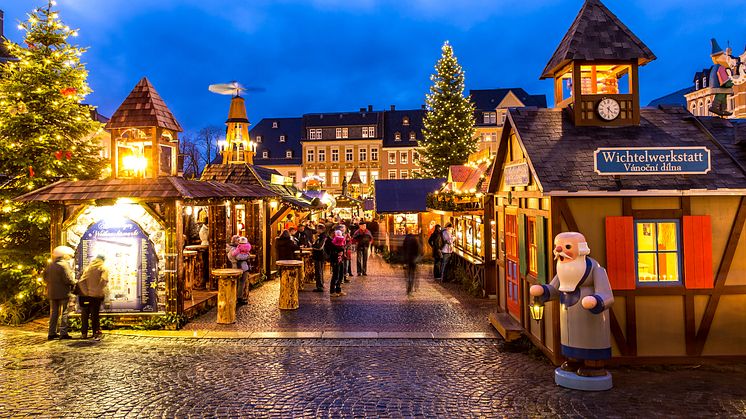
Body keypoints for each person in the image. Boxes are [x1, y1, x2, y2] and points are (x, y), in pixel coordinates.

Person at [44, 246, 75, 340]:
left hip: (52, 292)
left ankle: (51, 332)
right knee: (64, 312)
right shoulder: (64, 265)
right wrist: (74, 282)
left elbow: (45, 277)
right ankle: (63, 332)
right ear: (64, 256)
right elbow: (68, 279)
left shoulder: (50, 265)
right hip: (63, 292)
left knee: (54, 313)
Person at [77, 254, 109, 340]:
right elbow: (104, 280)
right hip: (96, 296)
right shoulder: (103, 268)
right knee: (95, 315)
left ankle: (84, 333)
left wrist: (86, 292)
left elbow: (81, 281)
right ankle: (95, 333)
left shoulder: (88, 268)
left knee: (85, 315)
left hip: (86, 296)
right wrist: (98, 290)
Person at [402, 228, 422, 295]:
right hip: (413, 259)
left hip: (408, 259)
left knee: (408, 275)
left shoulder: (405, 240)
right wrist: (418, 258)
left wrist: (404, 261)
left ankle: (409, 288)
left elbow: (403, 251)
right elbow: (418, 250)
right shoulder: (415, 240)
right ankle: (412, 288)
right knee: (412, 274)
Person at [232, 236, 252, 305]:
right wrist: (247, 256)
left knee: (242, 283)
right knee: (241, 283)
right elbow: (238, 257)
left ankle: (240, 297)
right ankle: (239, 298)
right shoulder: (235, 248)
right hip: (240, 268)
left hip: (242, 267)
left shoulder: (238, 248)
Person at [327, 230, 347, 297]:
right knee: (335, 275)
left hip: (341, 260)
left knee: (340, 275)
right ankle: (332, 291)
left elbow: (343, 248)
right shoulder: (331, 242)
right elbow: (330, 251)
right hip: (335, 260)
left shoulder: (341, 241)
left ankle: (338, 290)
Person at [311, 224, 329, 292]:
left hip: (319, 256)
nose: (317, 230)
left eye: (318, 229)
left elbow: (320, 247)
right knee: (319, 271)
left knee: (318, 271)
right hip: (318, 256)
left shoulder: (323, 237)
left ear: (321, 229)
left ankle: (320, 286)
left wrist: (312, 247)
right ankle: (320, 285)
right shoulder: (320, 236)